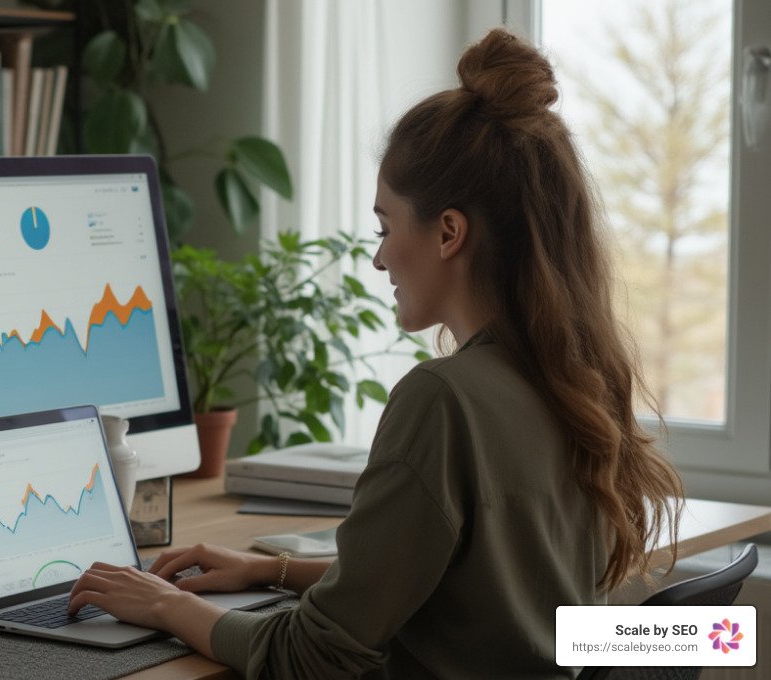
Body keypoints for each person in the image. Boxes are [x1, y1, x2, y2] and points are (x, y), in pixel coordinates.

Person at [68, 27, 684, 678]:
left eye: (387, 227)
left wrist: (164, 606)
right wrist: (269, 569)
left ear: (449, 232)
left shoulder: (443, 400)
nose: (379, 256)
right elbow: (457, 583)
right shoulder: (572, 381)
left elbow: (312, 656)